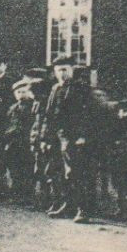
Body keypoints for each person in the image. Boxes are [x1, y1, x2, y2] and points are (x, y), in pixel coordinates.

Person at [42, 58, 97, 222]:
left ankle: (83, 209)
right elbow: (49, 114)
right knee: (58, 171)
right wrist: (46, 138)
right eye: (59, 70)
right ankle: (67, 205)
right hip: (58, 135)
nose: (62, 73)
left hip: (74, 136)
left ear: (72, 70)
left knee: (75, 172)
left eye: (65, 69)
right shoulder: (55, 88)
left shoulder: (81, 88)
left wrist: (82, 135)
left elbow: (87, 114)